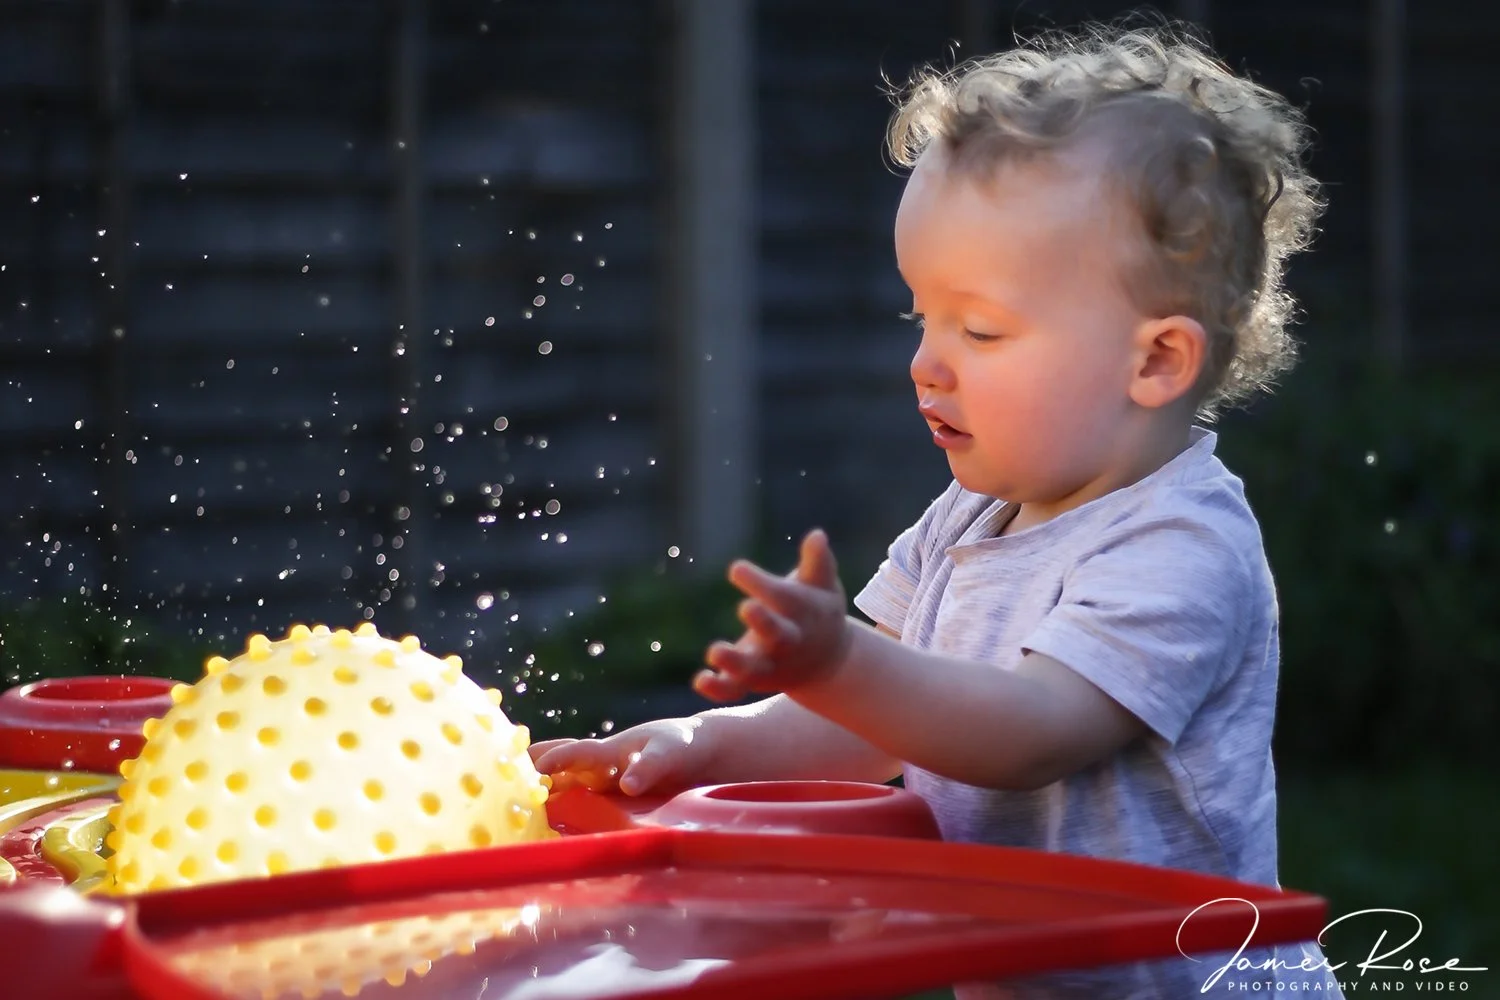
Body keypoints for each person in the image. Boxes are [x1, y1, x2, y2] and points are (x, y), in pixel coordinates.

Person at [532, 20, 1344, 998]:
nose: (927, 360)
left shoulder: (1180, 543)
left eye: (983, 327)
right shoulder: (972, 514)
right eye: (921, 314)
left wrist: (843, 660)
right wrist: (700, 748)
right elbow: (877, 728)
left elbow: (1029, 732)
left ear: (1157, 359)